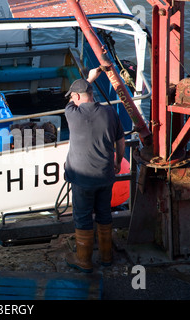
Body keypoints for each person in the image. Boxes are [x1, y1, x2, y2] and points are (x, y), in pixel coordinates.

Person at [64, 67, 126, 273]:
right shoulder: (110, 112)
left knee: (82, 218)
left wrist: (89, 78)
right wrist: (117, 162)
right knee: (104, 214)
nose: (71, 99)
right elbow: (120, 140)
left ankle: (84, 261)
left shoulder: (72, 114)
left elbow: (71, 104)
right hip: (105, 175)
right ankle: (107, 257)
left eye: (73, 96)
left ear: (78, 96)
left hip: (82, 179)